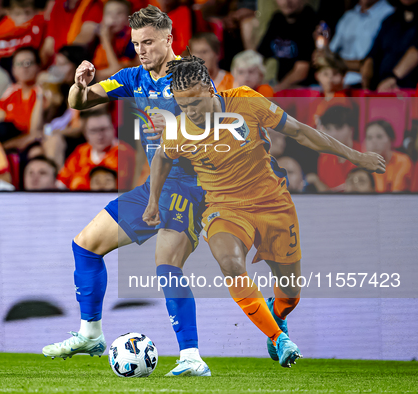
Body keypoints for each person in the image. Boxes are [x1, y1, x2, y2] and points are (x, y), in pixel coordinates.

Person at [143, 55, 386, 368]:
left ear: (210, 89)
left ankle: (278, 311)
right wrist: (153, 200)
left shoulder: (246, 102)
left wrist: (355, 156)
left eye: (194, 103)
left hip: (273, 203)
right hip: (223, 207)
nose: (188, 112)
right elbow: (163, 156)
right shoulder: (179, 128)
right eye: (182, 105)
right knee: (229, 262)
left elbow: (299, 131)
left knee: (291, 296)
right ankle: (279, 339)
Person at [42, 5, 211, 377]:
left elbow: (207, 126)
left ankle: (191, 357)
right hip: (155, 186)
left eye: (149, 42)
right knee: (86, 245)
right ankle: (90, 334)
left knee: (167, 264)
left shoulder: (190, 75)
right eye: (136, 43)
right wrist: (79, 84)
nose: (142, 50)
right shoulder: (134, 77)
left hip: (191, 186)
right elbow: (79, 104)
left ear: (169, 39)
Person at [57, 109, 135, 191]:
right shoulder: (80, 152)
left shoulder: (126, 153)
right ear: (86, 134)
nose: (100, 135)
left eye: (103, 129)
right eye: (94, 131)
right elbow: (61, 183)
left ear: (113, 129)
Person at [329, 0, 394, 87]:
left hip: (369, 83)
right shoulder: (348, 16)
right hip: (338, 81)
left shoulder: (390, 15)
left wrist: (339, 63)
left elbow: (373, 63)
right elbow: (330, 52)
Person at [0, 47, 43, 150]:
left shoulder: (42, 92)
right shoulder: (10, 92)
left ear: (38, 67)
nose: (24, 68)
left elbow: (35, 132)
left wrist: (4, 147)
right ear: (13, 70)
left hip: (27, 146)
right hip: (4, 142)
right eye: (19, 64)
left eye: (28, 63)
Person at [257, 0, 318, 90]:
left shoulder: (310, 20)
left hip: (304, 89)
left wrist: (277, 90)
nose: (287, 2)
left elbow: (302, 71)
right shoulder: (277, 18)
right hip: (279, 85)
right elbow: (260, 55)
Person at [361, 0, 418, 91]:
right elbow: (372, 56)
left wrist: (392, 78)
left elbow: (415, 52)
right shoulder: (389, 20)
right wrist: (366, 85)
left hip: (408, 90)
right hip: (380, 89)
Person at [316, 105, 360, 191]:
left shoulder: (364, 153)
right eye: (328, 128)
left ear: (351, 129)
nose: (333, 134)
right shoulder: (324, 158)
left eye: (338, 128)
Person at [93, 0, 139, 81]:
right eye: (109, 13)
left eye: (119, 13)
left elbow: (116, 71)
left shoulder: (135, 41)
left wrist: (106, 40)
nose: (113, 17)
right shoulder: (94, 40)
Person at [364, 120, 412, 192]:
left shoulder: (403, 161)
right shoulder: (363, 165)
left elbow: (396, 193)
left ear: (391, 139)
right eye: (369, 137)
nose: (374, 142)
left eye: (379, 137)